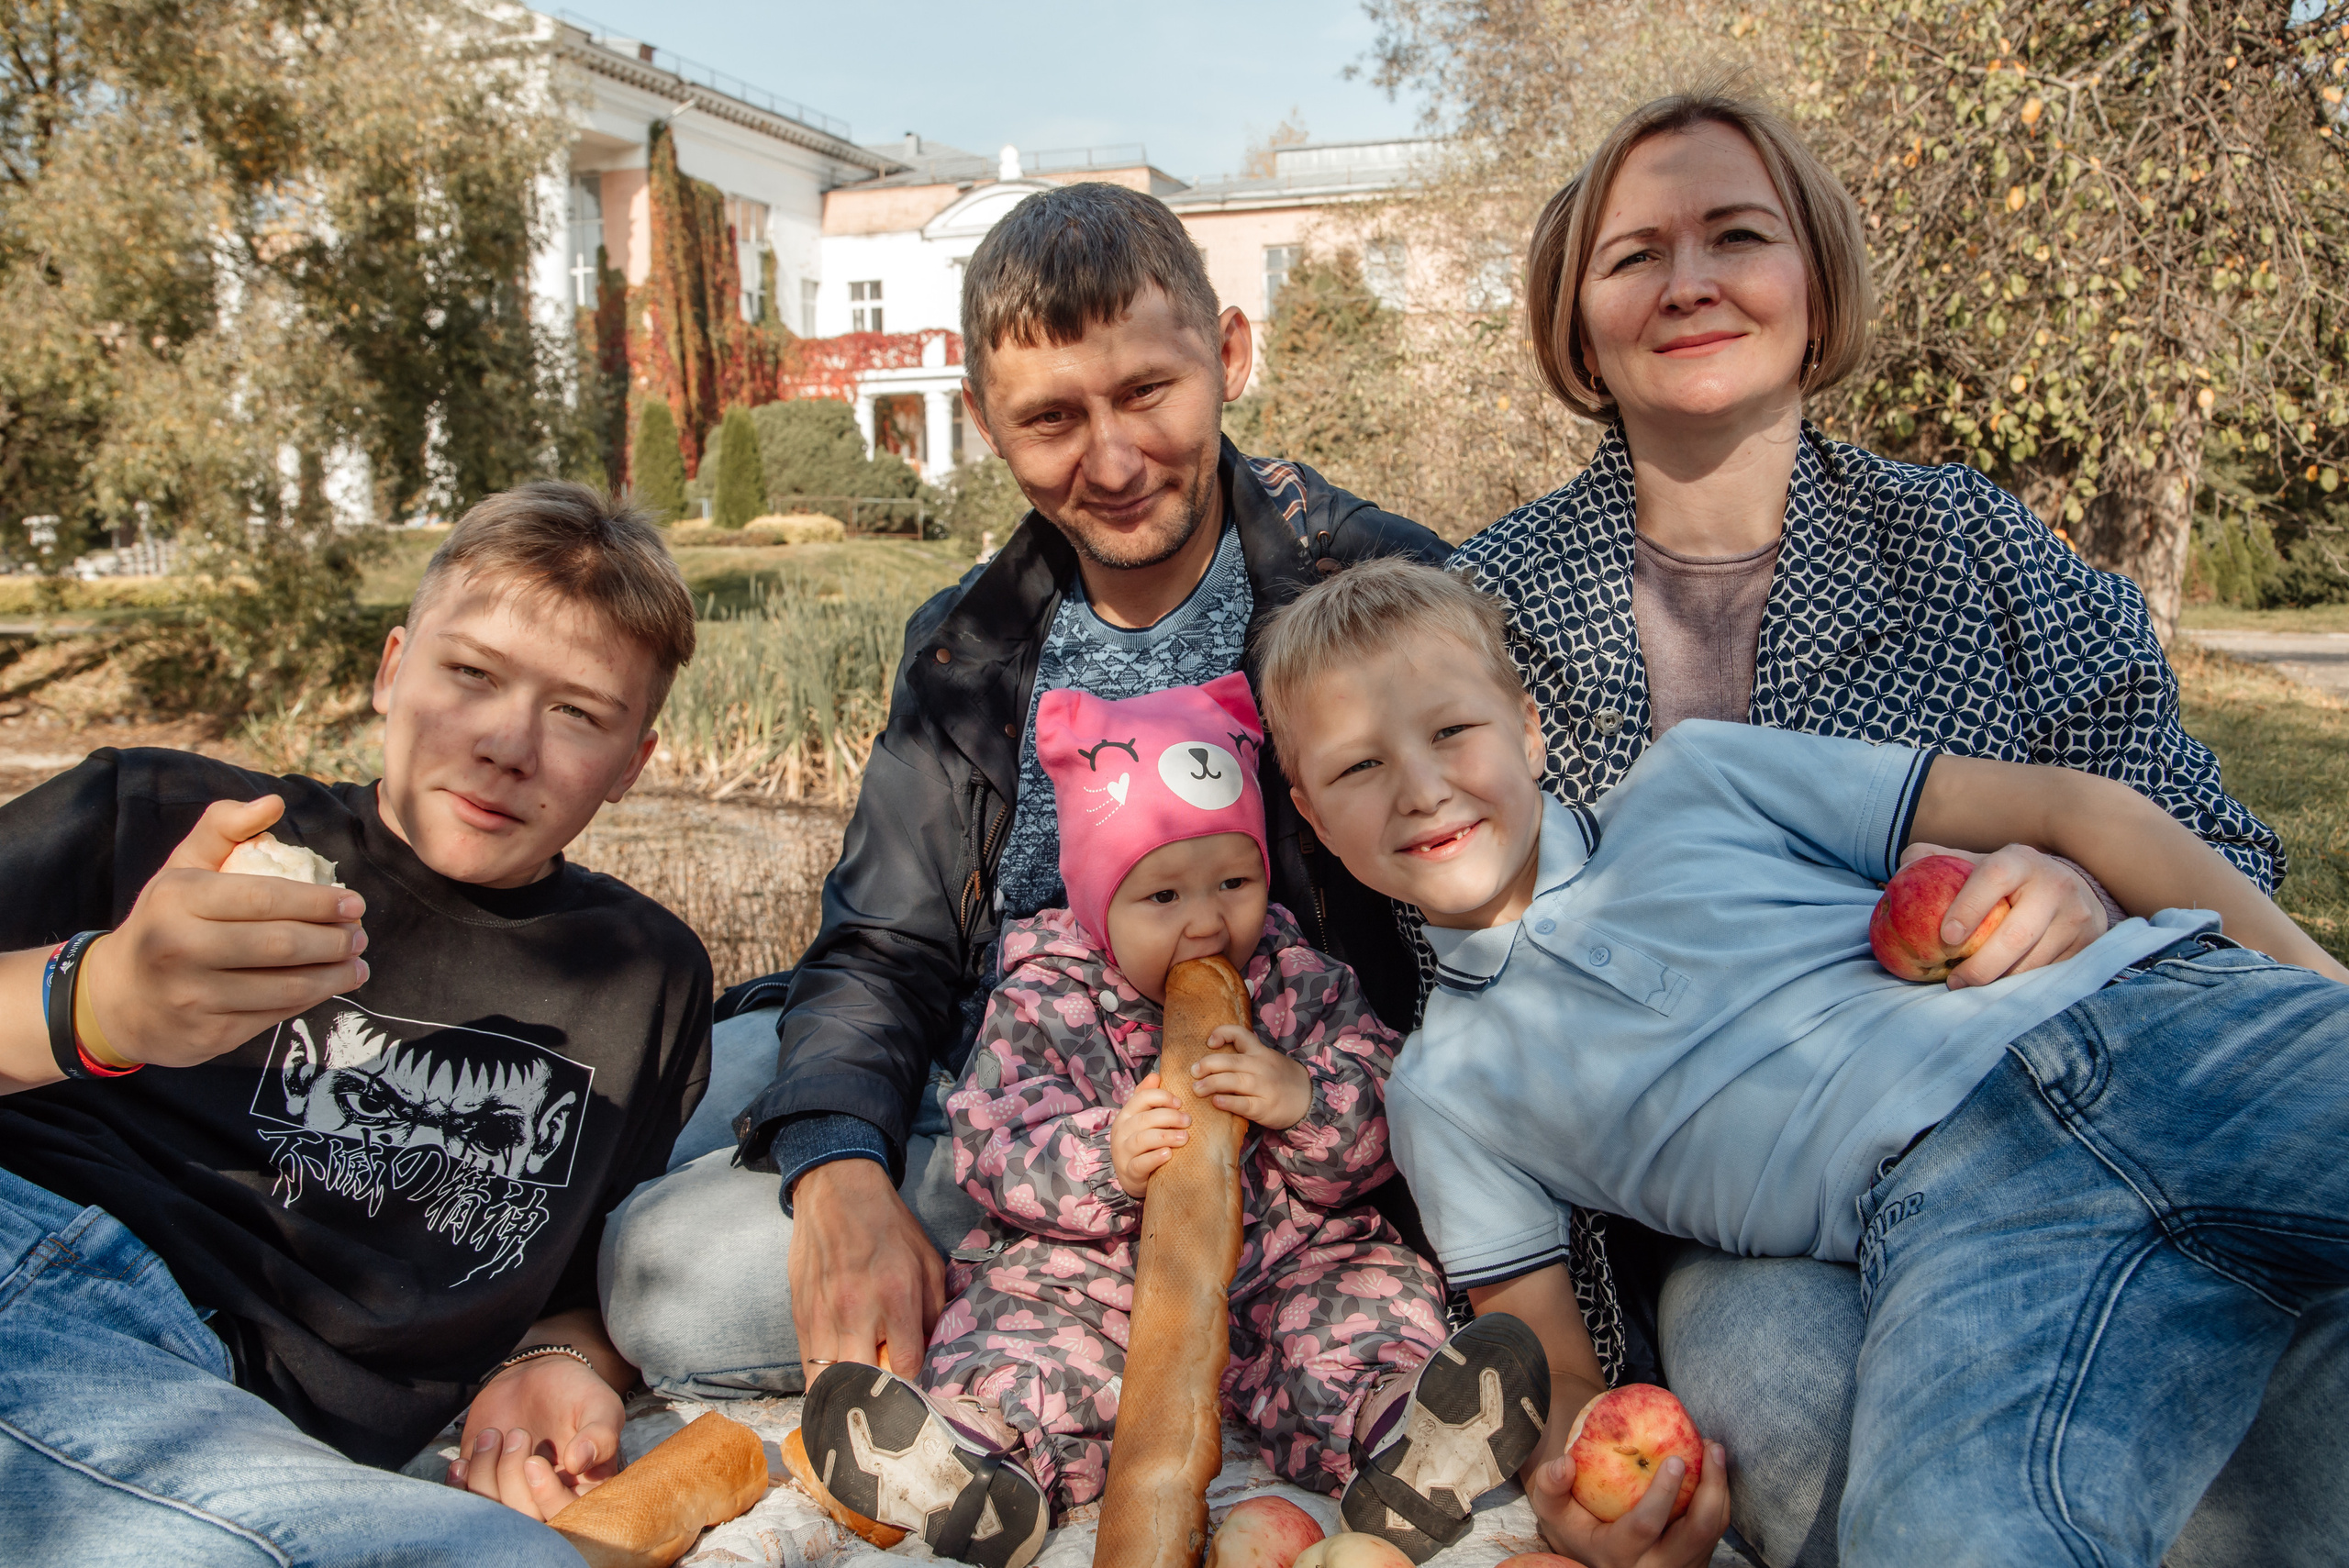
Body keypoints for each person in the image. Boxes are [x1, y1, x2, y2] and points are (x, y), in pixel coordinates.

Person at [1444, 85, 2331, 1565]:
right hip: (1767, 1213)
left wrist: (2087, 887)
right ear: (1572, 317)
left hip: (2098, 1053)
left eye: (1740, 234)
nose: (1692, 282)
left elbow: (2196, 825)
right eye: (1633, 254)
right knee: (1804, 1411)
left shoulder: (1972, 541)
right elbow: (1474, 1014)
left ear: (1818, 280)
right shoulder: (1485, 615)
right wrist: (1591, 1413)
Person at [1255, 557, 2348, 1568]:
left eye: (1453, 729)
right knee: (1938, 1537)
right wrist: (1591, 1492)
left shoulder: (1699, 779)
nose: (1420, 785)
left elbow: (2074, 806)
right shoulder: (1445, 1089)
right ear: (1309, 817)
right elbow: (1552, 1365)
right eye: (1357, 766)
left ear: (1531, 730)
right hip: (1957, 1218)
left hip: (2152, 1026)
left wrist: (2317, 987)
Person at [596, 181, 1450, 1403]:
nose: (1111, 459)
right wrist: (840, 1168)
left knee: (670, 1274)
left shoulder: (1365, 586)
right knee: (700, 1086)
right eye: (1052, 418)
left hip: (1270, 1116)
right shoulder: (968, 642)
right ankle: (562, 1337)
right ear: (988, 423)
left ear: (1229, 354)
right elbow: (886, 938)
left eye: (1148, 392)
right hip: (1022, 1102)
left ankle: (1073, 1320)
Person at [0, 484, 712, 1565]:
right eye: (469, 673)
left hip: (244, 1435)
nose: (506, 743)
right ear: (391, 671)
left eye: (577, 712)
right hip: (45, 1260)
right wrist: (93, 1000)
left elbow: (583, 1265)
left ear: (631, 766)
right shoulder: (163, 816)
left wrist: (559, 1356)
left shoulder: (648, 975)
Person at [796, 676, 1544, 1568]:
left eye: (1232, 881)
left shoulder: (1297, 977)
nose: (1204, 921)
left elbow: (1388, 1102)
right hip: (1094, 1274)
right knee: (1025, 1332)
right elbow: (991, 1140)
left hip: (1292, 1253)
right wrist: (1104, 1155)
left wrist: (1302, 1096)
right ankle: (978, 1459)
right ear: (1094, 901)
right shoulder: (1047, 995)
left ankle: (1403, 1433)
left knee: (1361, 1305)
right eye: (1161, 898)